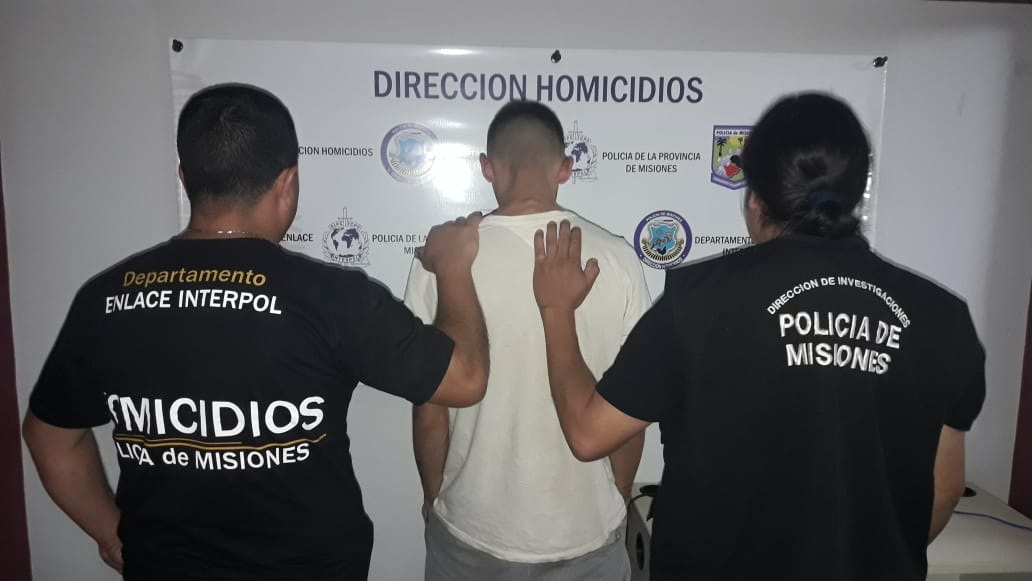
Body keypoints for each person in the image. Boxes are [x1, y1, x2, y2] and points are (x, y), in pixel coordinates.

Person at [21, 83, 489, 581]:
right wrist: (453, 268)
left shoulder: (106, 299)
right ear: (288, 183)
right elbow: (465, 380)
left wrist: (112, 535)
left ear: (185, 178)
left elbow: (49, 437)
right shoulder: (331, 298)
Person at [530, 92, 985, 580]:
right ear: (856, 194)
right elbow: (944, 488)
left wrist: (556, 309)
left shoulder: (697, 302)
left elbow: (588, 432)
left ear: (755, 198)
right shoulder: (943, 318)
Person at [406, 100, 650, 581]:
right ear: (565, 168)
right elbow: (631, 406)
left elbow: (428, 406)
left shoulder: (442, 258)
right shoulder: (618, 259)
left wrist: (433, 495)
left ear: (487, 167)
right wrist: (617, 496)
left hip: (473, 525)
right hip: (585, 529)